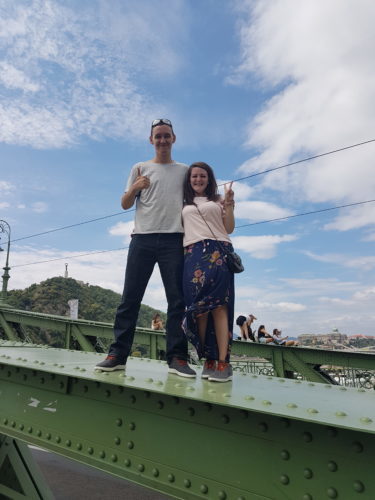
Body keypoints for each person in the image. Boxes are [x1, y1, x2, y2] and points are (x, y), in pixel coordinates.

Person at [96, 119, 196, 378]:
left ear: (174, 138)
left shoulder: (184, 171)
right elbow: (124, 204)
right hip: (142, 239)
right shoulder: (139, 168)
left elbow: (196, 201)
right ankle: (117, 355)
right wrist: (135, 188)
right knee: (129, 299)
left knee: (177, 302)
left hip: (175, 239)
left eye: (166, 136)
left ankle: (177, 358)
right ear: (151, 140)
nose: (162, 140)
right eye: (158, 136)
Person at [182, 161, 235, 382]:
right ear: (189, 179)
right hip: (192, 253)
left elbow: (229, 228)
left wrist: (230, 205)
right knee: (199, 309)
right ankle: (207, 357)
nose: (198, 180)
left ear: (209, 178)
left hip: (218, 251)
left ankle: (222, 362)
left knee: (219, 306)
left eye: (202, 176)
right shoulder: (182, 202)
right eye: (194, 176)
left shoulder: (219, 200)